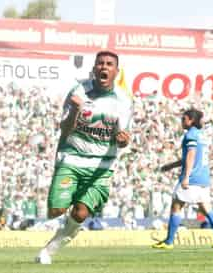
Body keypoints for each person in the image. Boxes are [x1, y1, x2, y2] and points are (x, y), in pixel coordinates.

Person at [35, 50, 133, 264]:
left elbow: (122, 138)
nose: (104, 67)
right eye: (100, 63)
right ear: (94, 69)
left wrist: (124, 139)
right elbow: (65, 129)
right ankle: (65, 206)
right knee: (56, 211)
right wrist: (75, 111)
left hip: (101, 167)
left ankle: (48, 251)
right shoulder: (78, 91)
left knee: (80, 214)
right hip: (72, 159)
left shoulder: (124, 101)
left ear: (116, 71)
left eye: (109, 64)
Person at [152, 109, 213, 249]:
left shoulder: (191, 135)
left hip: (192, 177)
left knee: (176, 206)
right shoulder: (201, 135)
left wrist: (186, 177)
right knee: (206, 208)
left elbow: (191, 156)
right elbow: (193, 156)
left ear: (190, 120)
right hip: (204, 178)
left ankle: (168, 242)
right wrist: (171, 165)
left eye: (184, 119)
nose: (182, 122)